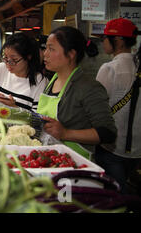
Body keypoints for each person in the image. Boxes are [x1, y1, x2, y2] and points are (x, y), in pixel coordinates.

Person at [37, 26, 117, 159]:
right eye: (46, 48)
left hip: (75, 163)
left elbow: (108, 133)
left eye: (51, 49)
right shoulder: (53, 80)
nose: (45, 54)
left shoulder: (88, 87)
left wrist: (66, 133)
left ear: (71, 54)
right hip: (50, 157)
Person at [94, 18, 140, 193]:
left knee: (115, 196)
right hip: (137, 148)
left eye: (105, 37)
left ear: (118, 40)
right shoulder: (138, 65)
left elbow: (96, 106)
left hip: (111, 146)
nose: (103, 41)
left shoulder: (109, 69)